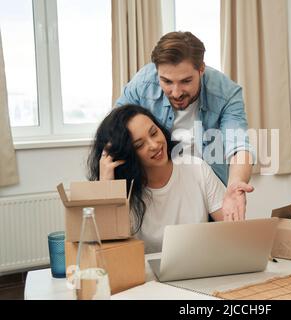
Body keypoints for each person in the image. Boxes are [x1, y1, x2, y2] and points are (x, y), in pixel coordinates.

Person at [116, 31, 254, 222]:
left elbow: (238, 144)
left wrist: (236, 183)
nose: (176, 92)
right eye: (166, 81)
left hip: (207, 192)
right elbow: (116, 130)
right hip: (154, 192)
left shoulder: (226, 93)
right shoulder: (143, 84)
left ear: (201, 69)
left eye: (186, 81)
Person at [87, 104, 225, 253]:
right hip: (145, 274)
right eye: (139, 145)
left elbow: (232, 227)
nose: (154, 145)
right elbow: (108, 252)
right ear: (124, 155)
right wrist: (106, 185)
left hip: (200, 268)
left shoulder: (197, 168)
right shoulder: (124, 191)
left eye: (153, 133)